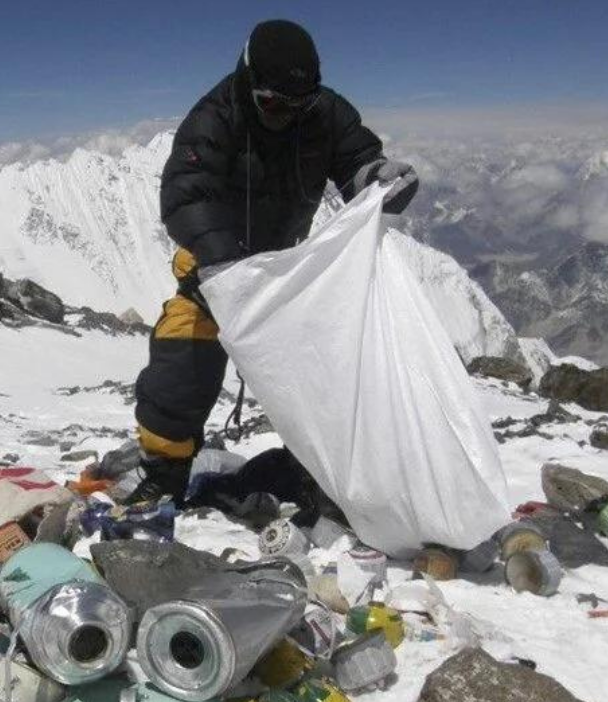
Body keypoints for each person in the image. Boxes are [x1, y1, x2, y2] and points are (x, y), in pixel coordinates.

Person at [129, 19, 419, 503]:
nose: (284, 114)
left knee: (327, 368)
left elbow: (356, 159)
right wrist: (222, 265)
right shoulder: (214, 119)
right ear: (248, 80)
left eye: (297, 104)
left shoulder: (325, 114)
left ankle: (322, 472)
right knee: (184, 359)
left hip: (287, 273)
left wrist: (377, 179)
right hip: (214, 273)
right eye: (272, 103)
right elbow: (185, 194)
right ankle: (164, 473)